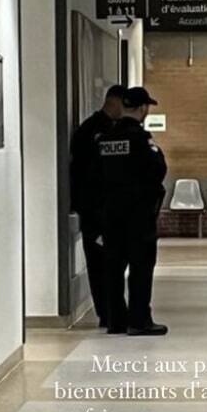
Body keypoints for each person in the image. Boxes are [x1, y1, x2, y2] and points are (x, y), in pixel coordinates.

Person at [95, 86, 168, 336]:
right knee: (141, 267)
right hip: (138, 215)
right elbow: (157, 170)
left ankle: (116, 320)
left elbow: (94, 175)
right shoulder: (140, 138)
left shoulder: (104, 139)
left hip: (110, 213)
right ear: (142, 108)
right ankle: (139, 320)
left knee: (113, 268)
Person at [69, 85, 127, 328]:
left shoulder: (114, 129)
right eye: (124, 105)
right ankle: (106, 312)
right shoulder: (90, 131)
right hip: (94, 209)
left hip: (109, 208)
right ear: (114, 102)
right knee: (98, 262)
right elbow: (83, 172)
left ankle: (113, 310)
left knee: (112, 262)